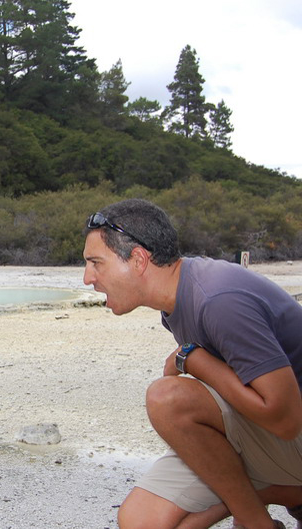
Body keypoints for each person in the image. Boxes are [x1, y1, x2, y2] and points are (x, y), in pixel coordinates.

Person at [81, 198, 302, 529]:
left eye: (96, 263)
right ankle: (258, 507)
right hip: (272, 436)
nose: (87, 278)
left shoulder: (218, 299)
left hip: (290, 430)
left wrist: (191, 359)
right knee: (143, 522)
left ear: (138, 259)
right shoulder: (177, 301)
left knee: (167, 398)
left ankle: (267, 509)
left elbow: (285, 419)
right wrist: (189, 360)